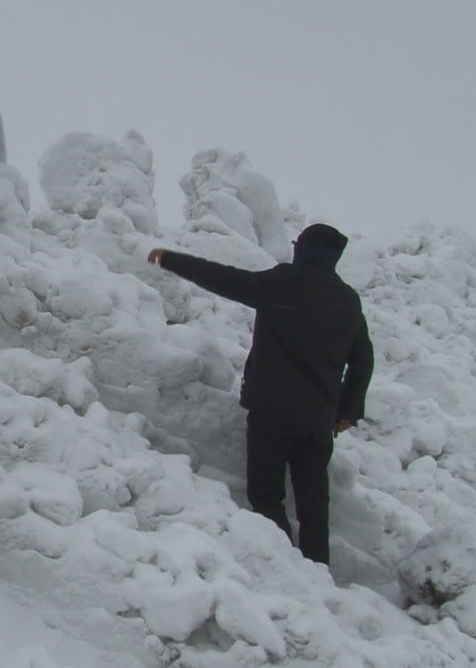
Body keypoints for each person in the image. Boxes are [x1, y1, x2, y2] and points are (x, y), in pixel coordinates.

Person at [147, 223, 373, 564]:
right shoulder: (347, 301)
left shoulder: (282, 283)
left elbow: (224, 279)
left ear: (303, 251)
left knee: (267, 495)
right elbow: (363, 362)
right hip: (317, 420)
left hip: (273, 412)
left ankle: (287, 567)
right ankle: (317, 570)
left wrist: (171, 260)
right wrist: (346, 411)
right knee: (313, 503)